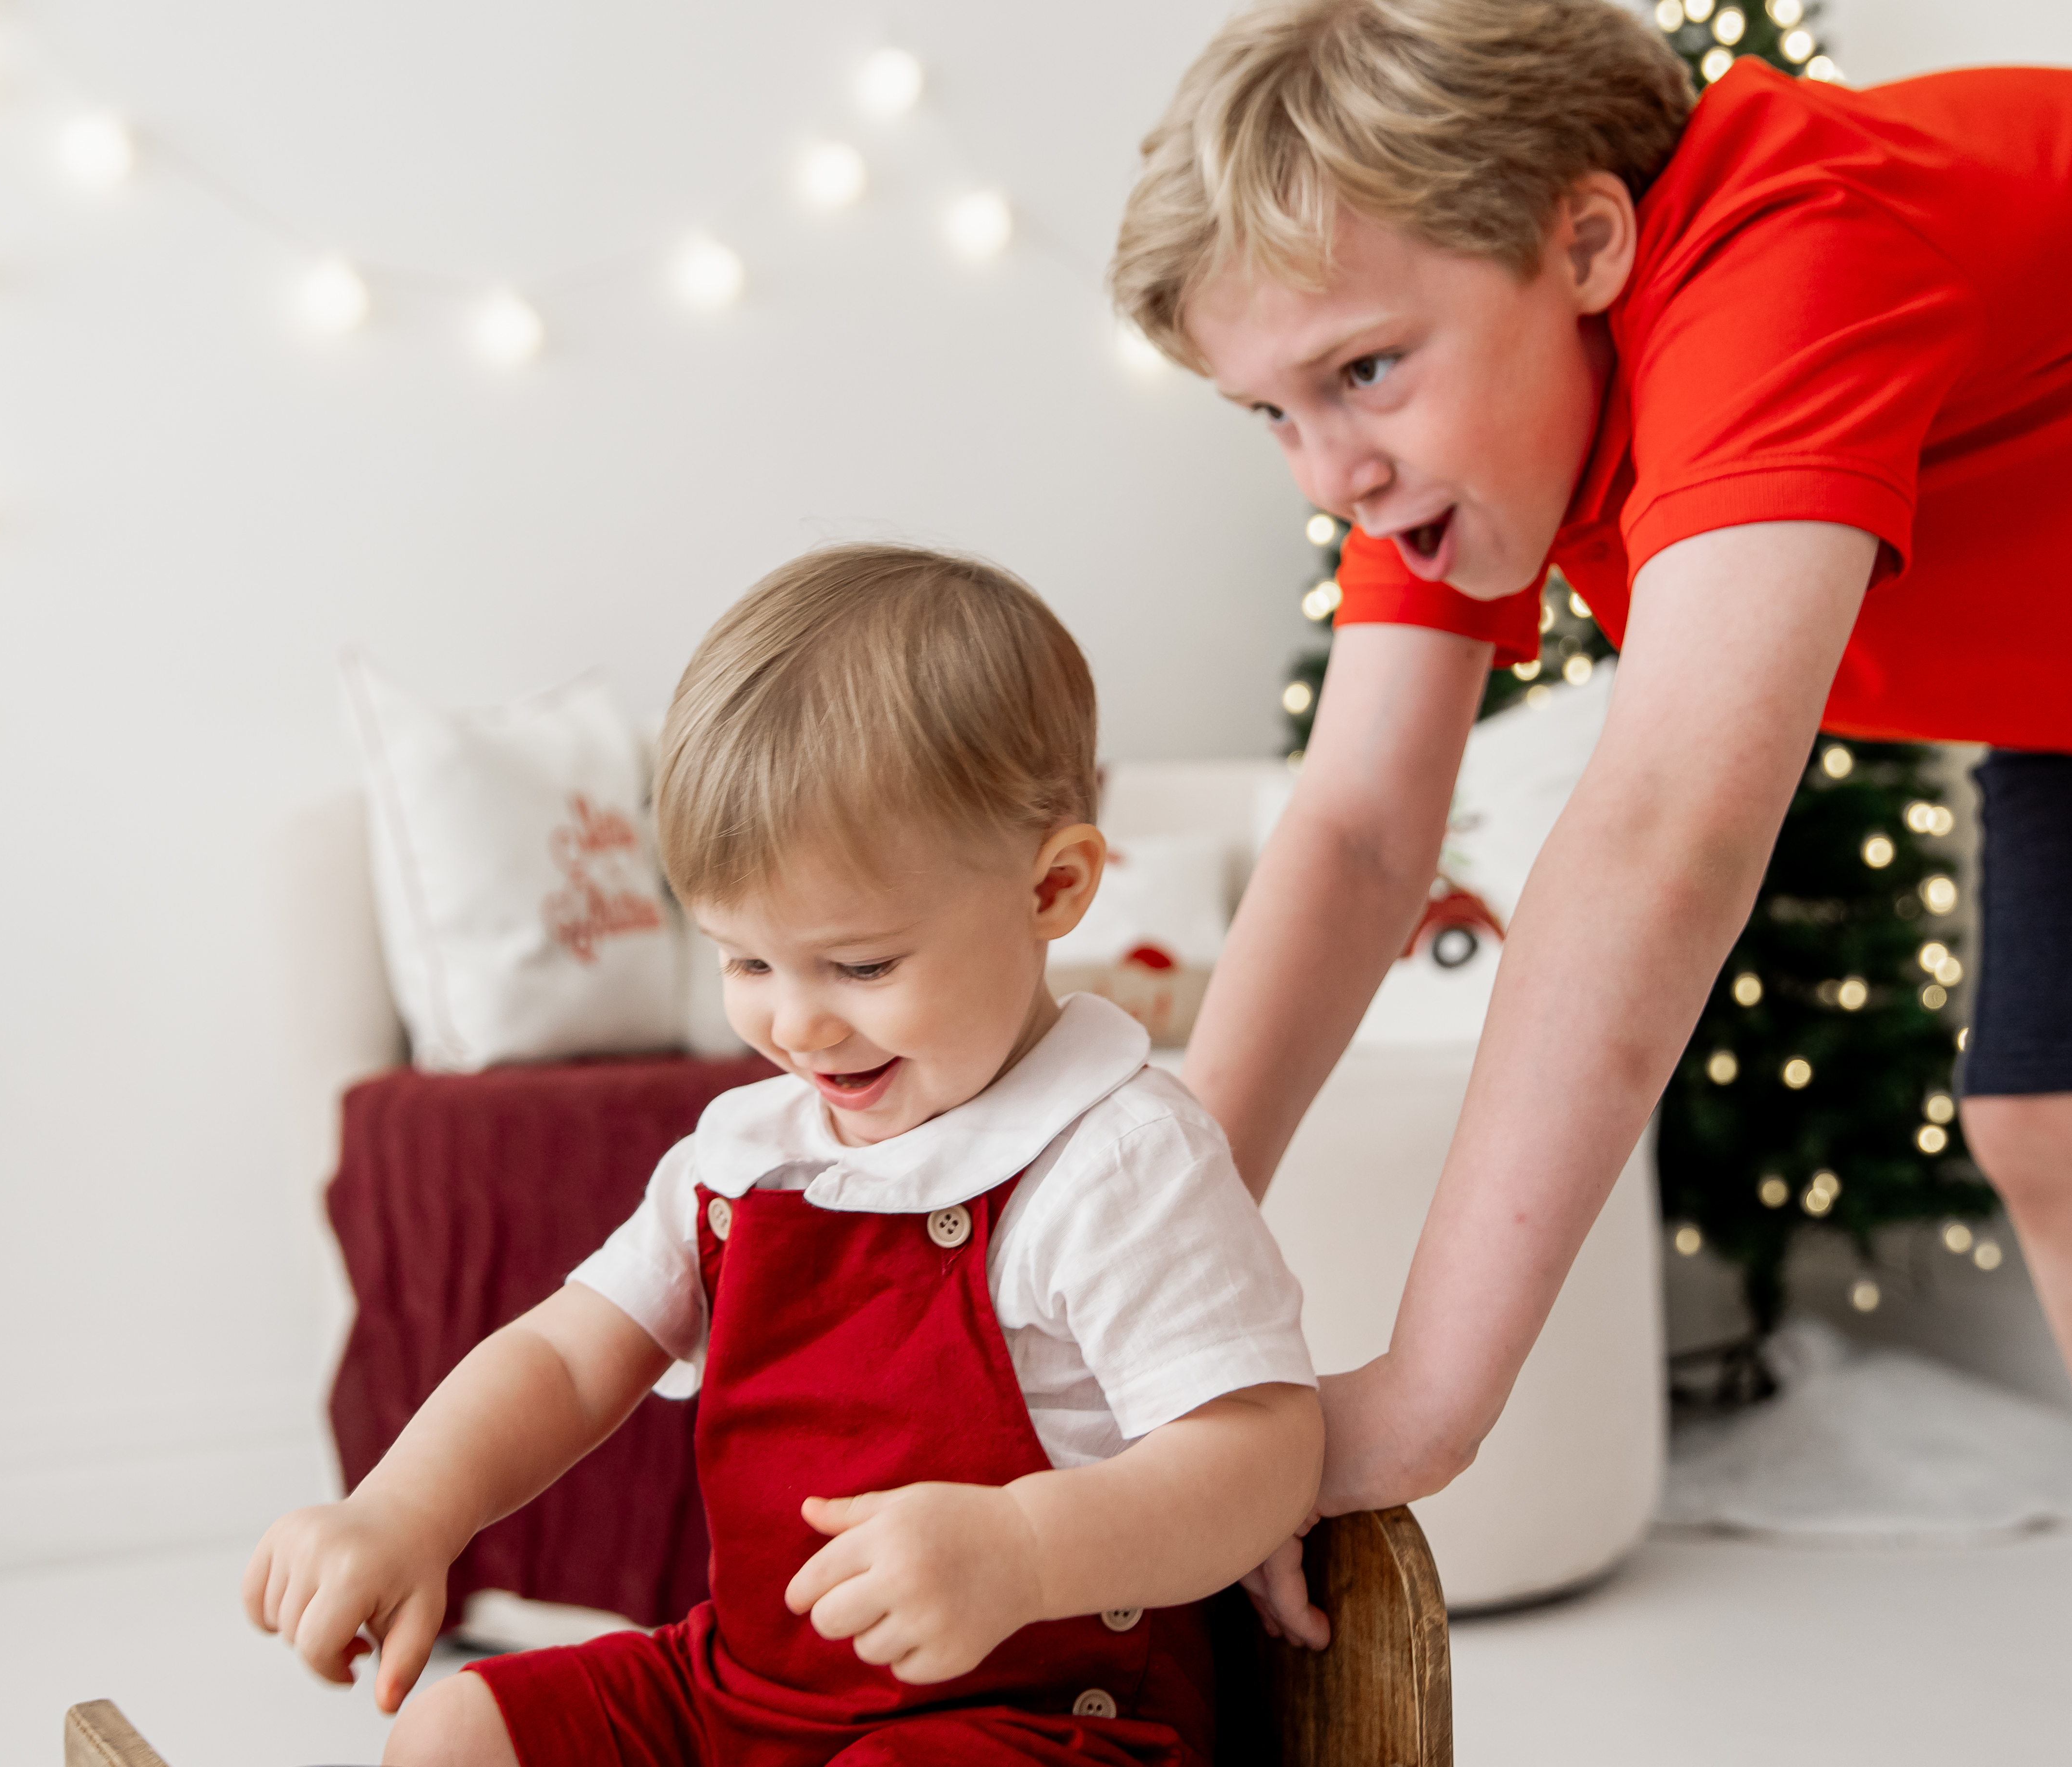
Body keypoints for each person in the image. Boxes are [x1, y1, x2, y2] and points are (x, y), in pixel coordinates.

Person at [1111, 0, 2072, 1758]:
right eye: (1271, 410)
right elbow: (1362, 829)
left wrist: (1429, 1399)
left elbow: (1668, 820)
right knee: (2067, 1128)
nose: (1331, 470)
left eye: (1362, 370)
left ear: (1585, 239)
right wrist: (1143, 1260)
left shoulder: (1785, 257)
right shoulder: (1464, 443)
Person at [244, 544, 1323, 1767]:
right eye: (746, 962)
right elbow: (565, 1352)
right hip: (743, 1694)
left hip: (1030, 1725)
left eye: (862, 966)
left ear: (1052, 889)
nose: (796, 1026)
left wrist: (1024, 1550)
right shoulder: (747, 1157)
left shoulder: (1116, 1159)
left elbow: (1262, 1452)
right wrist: (402, 1511)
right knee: (457, 1731)